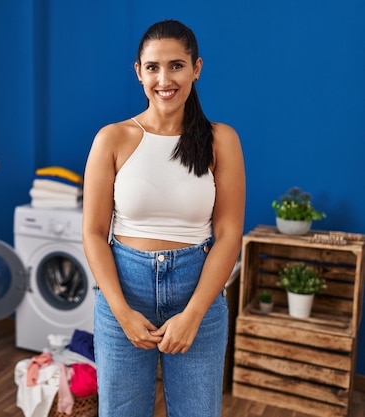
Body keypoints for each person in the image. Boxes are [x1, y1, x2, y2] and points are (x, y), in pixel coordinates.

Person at [82, 19, 245, 417]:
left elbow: (227, 235)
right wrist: (122, 312)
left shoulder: (222, 139)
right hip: (124, 289)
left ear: (196, 69)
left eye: (176, 65)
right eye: (153, 67)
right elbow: (93, 232)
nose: (164, 78)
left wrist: (193, 315)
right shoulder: (112, 138)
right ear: (138, 72)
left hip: (199, 293)